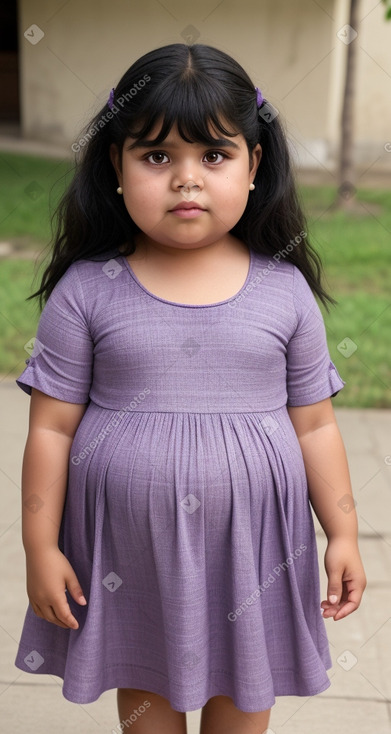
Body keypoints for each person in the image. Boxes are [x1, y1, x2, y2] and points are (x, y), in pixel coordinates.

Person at [14, 43, 366, 734]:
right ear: (114, 164)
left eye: (213, 156)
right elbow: (51, 430)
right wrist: (39, 546)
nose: (185, 180)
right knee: (145, 683)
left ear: (253, 165)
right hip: (128, 554)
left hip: (254, 551)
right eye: (155, 157)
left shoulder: (282, 290)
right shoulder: (88, 292)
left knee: (246, 677)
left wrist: (343, 532)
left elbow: (316, 426)